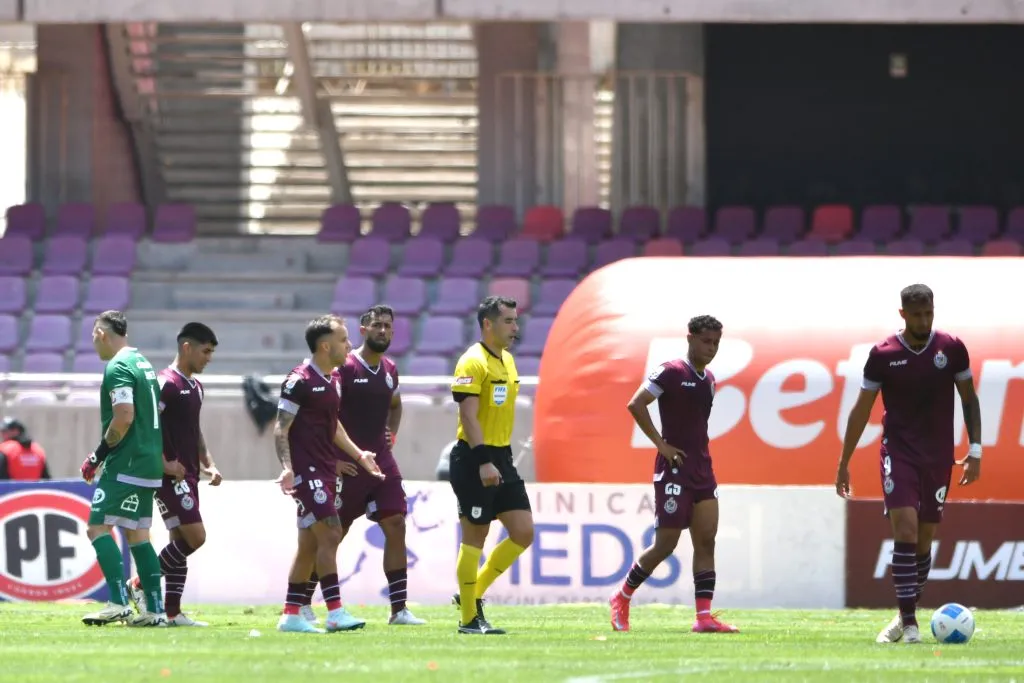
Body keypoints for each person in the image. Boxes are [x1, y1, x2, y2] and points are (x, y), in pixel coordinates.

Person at [835, 284, 981, 645]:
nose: (924, 320)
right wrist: (844, 461)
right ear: (903, 314)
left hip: (938, 456)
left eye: (929, 313)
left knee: (924, 540)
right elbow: (862, 409)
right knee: (905, 530)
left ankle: (903, 616)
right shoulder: (883, 354)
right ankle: (912, 625)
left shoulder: (951, 348)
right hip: (898, 453)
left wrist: (975, 450)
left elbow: (969, 399)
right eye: (917, 315)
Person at [610, 314, 739, 634]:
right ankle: (622, 597)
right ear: (690, 338)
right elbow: (636, 404)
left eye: (716, 343)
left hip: (702, 470)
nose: (711, 348)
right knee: (665, 544)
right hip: (674, 470)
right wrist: (661, 445)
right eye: (706, 341)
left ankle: (704, 617)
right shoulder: (670, 371)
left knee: (706, 541)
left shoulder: (709, 379)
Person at [298, 305, 426, 626]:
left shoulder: (390, 370)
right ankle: (301, 602)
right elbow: (325, 415)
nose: (383, 330)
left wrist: (391, 434)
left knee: (396, 524)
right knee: (331, 536)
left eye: (388, 326)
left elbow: (395, 405)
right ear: (363, 330)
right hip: (347, 466)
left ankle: (399, 610)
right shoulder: (344, 368)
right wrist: (333, 459)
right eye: (376, 325)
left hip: (380, 463)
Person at [274, 314, 384, 634]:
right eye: (343, 340)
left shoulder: (333, 379)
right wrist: (287, 468)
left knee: (309, 545)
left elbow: (333, 426)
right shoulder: (299, 380)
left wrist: (359, 455)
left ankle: (291, 614)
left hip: (324, 469)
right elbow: (281, 428)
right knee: (332, 534)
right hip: (306, 472)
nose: (349, 345)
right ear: (325, 346)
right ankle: (335, 612)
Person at [126, 322, 223, 627]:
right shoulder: (165, 383)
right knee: (196, 537)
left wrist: (209, 463)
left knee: (179, 539)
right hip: (169, 476)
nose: (209, 358)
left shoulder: (196, 387)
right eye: (205, 351)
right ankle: (139, 584)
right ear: (187, 347)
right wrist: (164, 464)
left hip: (189, 475)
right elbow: (144, 426)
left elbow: (195, 430)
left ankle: (173, 612)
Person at [449, 295, 534, 635]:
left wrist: (496, 460)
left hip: (502, 457)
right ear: (488, 324)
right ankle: (469, 619)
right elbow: (468, 417)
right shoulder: (472, 362)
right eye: (508, 321)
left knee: (523, 532)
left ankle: (471, 594)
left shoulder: (508, 361)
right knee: (475, 537)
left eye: (515, 320)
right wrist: (484, 461)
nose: (515, 327)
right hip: (474, 458)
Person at [78, 310, 167, 627]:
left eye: (93, 336)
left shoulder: (118, 366)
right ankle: (155, 610)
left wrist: (97, 455)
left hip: (127, 462)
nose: (93, 343)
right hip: (148, 462)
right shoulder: (143, 363)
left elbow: (124, 416)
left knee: (97, 527)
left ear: (102, 334)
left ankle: (117, 602)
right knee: (137, 535)